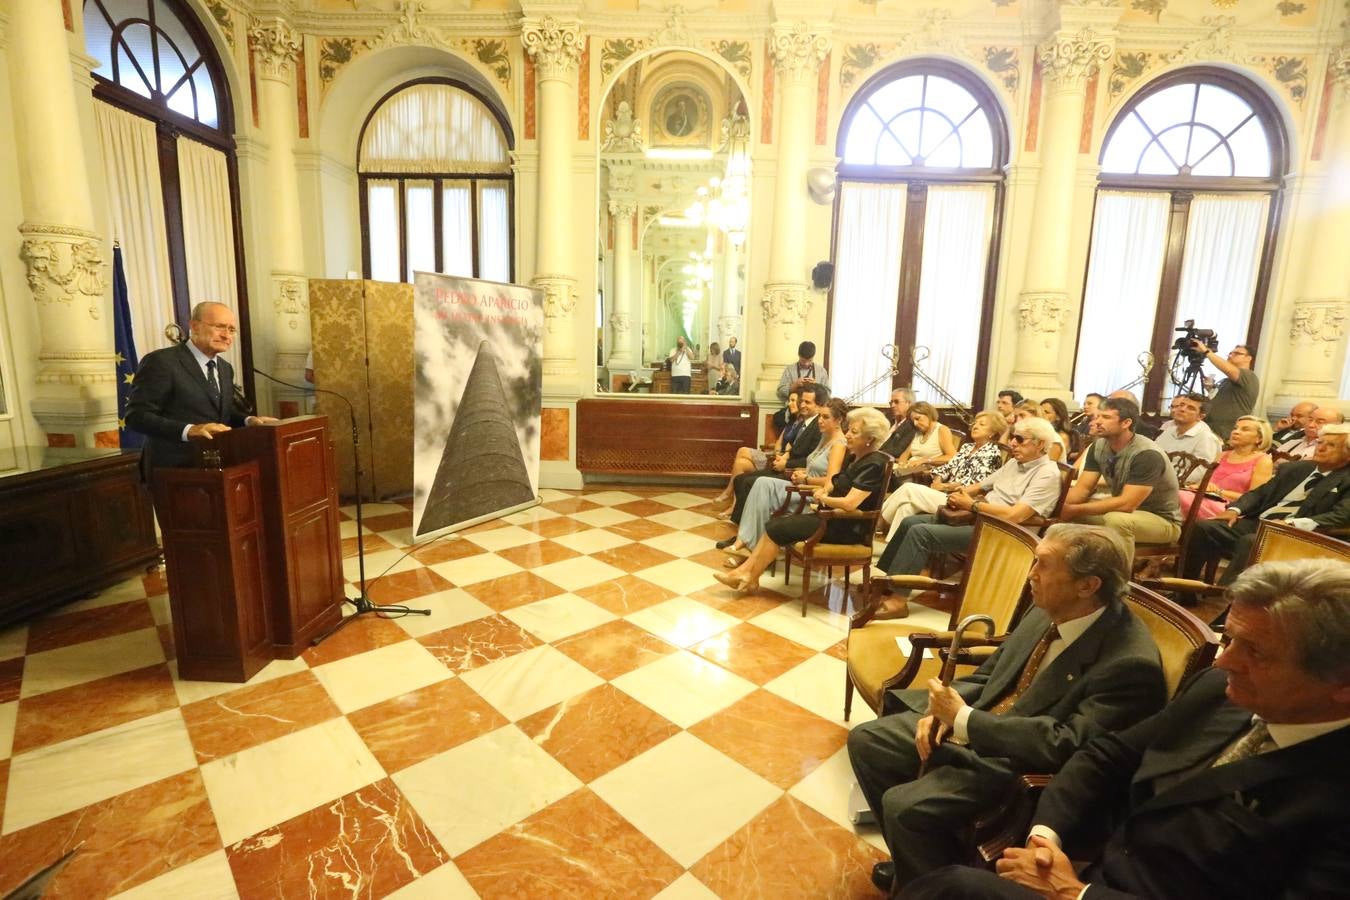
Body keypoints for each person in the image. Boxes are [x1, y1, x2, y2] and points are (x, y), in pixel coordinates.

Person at [905, 558, 1350, 900]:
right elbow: (1107, 756)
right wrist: (1046, 836)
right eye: (1227, 638)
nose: (1222, 660)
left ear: (1341, 684)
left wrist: (1075, 894)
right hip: (1095, 867)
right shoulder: (1222, 690)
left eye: (1254, 651)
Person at [850, 524, 1167, 895]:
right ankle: (920, 863)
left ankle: (932, 885)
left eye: (1043, 565)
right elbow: (992, 674)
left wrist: (964, 720)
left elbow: (1067, 744)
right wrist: (940, 711)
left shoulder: (1130, 664)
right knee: (868, 740)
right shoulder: (1048, 607)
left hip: (1019, 763)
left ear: (1088, 585)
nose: (1031, 574)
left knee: (904, 806)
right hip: (986, 724)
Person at [872, 416, 1063, 619]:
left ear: (1040, 444)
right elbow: (981, 486)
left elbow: (1017, 515)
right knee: (911, 521)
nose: (1012, 443)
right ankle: (888, 582)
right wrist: (958, 494)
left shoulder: (1047, 474)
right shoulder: (1015, 463)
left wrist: (972, 505)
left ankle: (898, 602)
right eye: (1013, 437)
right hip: (979, 518)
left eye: (1019, 439)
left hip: (1004, 532)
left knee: (921, 533)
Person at [714, 406, 890, 594]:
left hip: (845, 527)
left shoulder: (874, 463)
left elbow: (849, 503)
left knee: (778, 527)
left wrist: (824, 498)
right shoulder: (856, 458)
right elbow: (837, 484)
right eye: (848, 430)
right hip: (830, 518)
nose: (847, 435)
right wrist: (824, 491)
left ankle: (747, 574)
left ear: (869, 439)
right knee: (775, 524)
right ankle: (747, 574)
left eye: (854, 432)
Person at [1182, 423, 1350, 587]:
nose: (1321, 448)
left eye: (1331, 445)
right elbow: (1259, 493)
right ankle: (1185, 591)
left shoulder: (1345, 479)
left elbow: (1340, 517)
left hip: (1297, 535)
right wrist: (1234, 509)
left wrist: (1289, 524)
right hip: (1259, 523)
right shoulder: (1296, 469)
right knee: (1204, 528)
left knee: (1253, 542)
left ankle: (1230, 596)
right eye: (1320, 442)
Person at [126, 301, 277, 477]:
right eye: (220, 327)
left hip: (216, 466)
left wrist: (248, 421)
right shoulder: (162, 362)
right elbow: (136, 416)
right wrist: (188, 430)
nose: (226, 335)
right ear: (194, 326)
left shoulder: (225, 368)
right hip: (173, 469)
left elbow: (220, 414)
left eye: (231, 330)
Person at [719, 398, 849, 557]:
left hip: (810, 495)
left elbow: (831, 481)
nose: (820, 421)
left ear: (839, 420)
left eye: (825, 417)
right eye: (820, 416)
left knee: (763, 488)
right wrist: (801, 473)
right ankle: (745, 541)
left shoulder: (839, 444)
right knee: (760, 483)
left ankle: (749, 545)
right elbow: (814, 468)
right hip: (801, 486)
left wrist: (806, 480)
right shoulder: (825, 437)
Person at [1061, 395, 1181, 562]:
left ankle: (1118, 579)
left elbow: (1127, 504)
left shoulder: (1146, 454)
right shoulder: (1099, 445)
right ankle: (1075, 571)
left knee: (1116, 520)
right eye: (1098, 416)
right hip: (1125, 512)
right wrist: (1058, 504)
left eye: (1106, 417)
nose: (1097, 422)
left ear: (1126, 423)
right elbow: (1082, 490)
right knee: (1061, 515)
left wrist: (1075, 509)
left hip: (1162, 520)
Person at [880, 410, 1007, 541]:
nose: (975, 426)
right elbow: (947, 467)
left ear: (992, 432)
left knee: (908, 488)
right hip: (944, 493)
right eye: (976, 423)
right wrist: (938, 479)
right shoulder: (967, 447)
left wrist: (944, 487)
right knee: (906, 506)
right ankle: (891, 546)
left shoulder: (992, 454)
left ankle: (879, 518)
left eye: (982, 424)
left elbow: (974, 484)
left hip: (959, 501)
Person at [726, 384, 828, 524]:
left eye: (808, 402)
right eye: (802, 401)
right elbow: (791, 447)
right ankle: (741, 523)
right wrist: (784, 456)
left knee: (748, 482)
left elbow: (809, 459)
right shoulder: (802, 422)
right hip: (784, 466)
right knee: (740, 479)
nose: (802, 405)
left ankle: (745, 525)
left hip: (792, 472)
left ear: (819, 405)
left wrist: (786, 463)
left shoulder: (818, 426)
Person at [1177, 415, 1274, 521]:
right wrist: (1198, 486)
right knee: (1172, 494)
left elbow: (1255, 499)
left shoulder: (1263, 460)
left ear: (1259, 438)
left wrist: (1218, 491)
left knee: (1178, 497)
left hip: (1231, 508)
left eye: (1245, 429)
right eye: (1235, 428)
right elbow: (1206, 483)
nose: (1236, 432)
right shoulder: (1222, 455)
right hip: (1204, 498)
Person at [713, 391, 800, 505]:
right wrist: (777, 451)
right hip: (775, 455)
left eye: (793, 401)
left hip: (781, 462)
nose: (789, 404)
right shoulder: (792, 421)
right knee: (740, 462)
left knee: (742, 451)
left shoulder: (803, 425)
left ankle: (729, 496)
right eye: (789, 400)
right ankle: (733, 504)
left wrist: (781, 455)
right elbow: (779, 441)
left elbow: (793, 449)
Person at [1195, 341, 1259, 443]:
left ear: (1249, 358)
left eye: (1237, 353)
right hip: (1210, 430)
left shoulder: (1249, 376)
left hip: (1226, 434)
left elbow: (1227, 369)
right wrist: (1211, 389)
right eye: (1230, 353)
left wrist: (1206, 351)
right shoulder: (1226, 380)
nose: (1231, 355)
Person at [1153, 392, 1223, 462]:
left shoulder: (1207, 439)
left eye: (1190, 408)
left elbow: (1201, 471)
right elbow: (1153, 453)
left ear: (1200, 416)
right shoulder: (1169, 431)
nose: (1182, 409)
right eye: (1181, 405)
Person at [894, 402, 957, 471]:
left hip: (927, 473)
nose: (915, 423)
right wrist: (901, 464)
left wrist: (925, 460)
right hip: (911, 469)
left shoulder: (942, 430)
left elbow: (952, 456)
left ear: (928, 415)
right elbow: (906, 454)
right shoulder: (919, 432)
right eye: (913, 421)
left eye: (917, 418)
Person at [1276, 405, 1343, 459]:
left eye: (1320, 422)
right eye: (1310, 420)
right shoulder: (1292, 443)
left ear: (1336, 427)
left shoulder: (1334, 451)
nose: (1311, 425)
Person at [880, 388, 917, 459]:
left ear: (909, 403)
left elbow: (898, 451)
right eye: (891, 402)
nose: (892, 405)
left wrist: (873, 453)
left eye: (896, 402)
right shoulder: (890, 422)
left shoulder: (912, 425)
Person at [1038, 398, 1072, 462]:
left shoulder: (1061, 437)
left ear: (1058, 417)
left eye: (1046, 412)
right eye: (1040, 411)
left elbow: (1049, 463)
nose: (1041, 415)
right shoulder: (1040, 433)